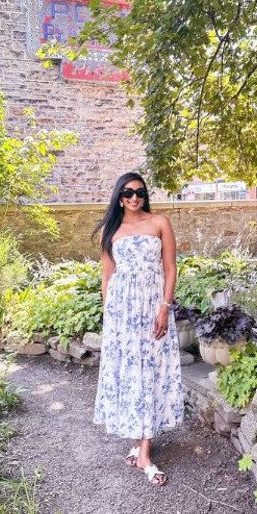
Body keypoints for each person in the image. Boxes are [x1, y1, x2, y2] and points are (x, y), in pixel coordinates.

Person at [91, 172, 184, 486]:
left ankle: (143, 451)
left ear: (145, 195)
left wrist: (165, 307)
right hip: (122, 313)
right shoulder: (111, 230)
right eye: (128, 193)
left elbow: (170, 268)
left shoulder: (160, 223)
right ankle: (140, 447)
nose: (134, 198)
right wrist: (110, 316)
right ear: (119, 197)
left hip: (152, 308)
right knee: (131, 374)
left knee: (150, 370)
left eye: (139, 192)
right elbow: (107, 277)